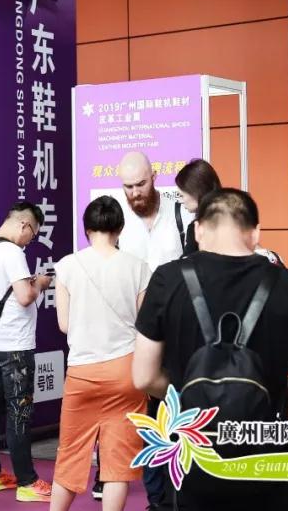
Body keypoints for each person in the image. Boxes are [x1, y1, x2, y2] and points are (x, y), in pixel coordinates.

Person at [133, 188, 288, 510]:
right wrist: (267, 391)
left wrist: (192, 392)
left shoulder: (166, 281)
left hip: (194, 463)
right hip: (271, 465)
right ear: (255, 234)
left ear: (198, 230)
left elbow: (143, 377)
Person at [50, 197, 151, 511]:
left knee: (70, 454)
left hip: (83, 372)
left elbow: (64, 325)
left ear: (86, 229)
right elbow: (145, 325)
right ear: (119, 228)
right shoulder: (138, 267)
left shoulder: (67, 266)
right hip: (126, 371)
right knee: (117, 463)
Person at [113, 151, 192, 508]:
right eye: (128, 187)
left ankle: (183, 495)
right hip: (136, 336)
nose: (135, 193)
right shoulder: (119, 223)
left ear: (155, 176)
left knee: (180, 415)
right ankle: (157, 501)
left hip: (179, 335)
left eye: (141, 184)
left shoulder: (180, 214)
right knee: (148, 420)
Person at [0, 201, 54, 503]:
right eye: (32, 233)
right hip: (15, 346)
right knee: (19, 411)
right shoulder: (11, 252)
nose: (30, 240)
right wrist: (41, 283)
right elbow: (24, 296)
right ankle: (27, 481)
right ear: (24, 224)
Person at [174, 159, 221, 256]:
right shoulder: (236, 218)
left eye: (181, 195)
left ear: (196, 192)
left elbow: (187, 262)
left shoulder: (196, 228)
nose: (181, 201)